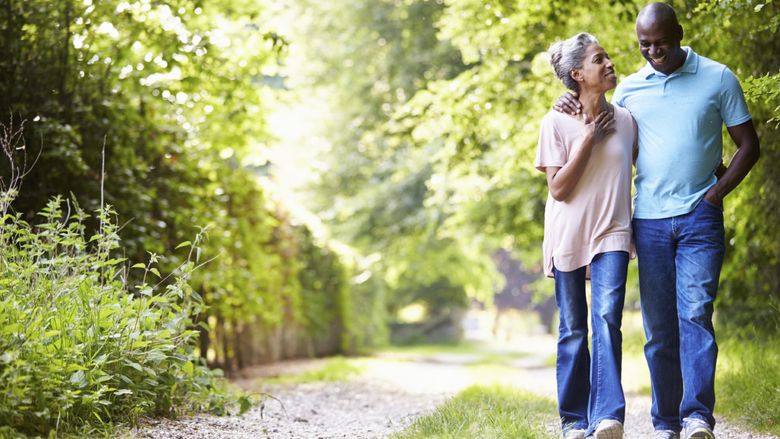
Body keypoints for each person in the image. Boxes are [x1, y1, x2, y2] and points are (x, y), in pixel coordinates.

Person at [554, 4, 761, 439]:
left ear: (680, 34)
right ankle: (666, 422)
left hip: (699, 219)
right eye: (644, 45)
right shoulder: (629, 91)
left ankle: (697, 416)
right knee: (659, 328)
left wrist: (714, 195)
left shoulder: (718, 78)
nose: (653, 52)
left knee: (696, 314)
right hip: (647, 221)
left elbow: (748, 146)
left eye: (660, 43)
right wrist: (567, 98)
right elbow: (596, 123)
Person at [536, 32, 636, 439]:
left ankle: (608, 416)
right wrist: (589, 137)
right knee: (574, 327)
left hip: (613, 232)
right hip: (568, 237)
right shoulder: (555, 121)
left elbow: (653, 167)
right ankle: (574, 420)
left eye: (608, 57)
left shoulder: (628, 120)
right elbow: (559, 189)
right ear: (578, 74)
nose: (610, 63)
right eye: (599, 59)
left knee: (608, 318)